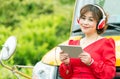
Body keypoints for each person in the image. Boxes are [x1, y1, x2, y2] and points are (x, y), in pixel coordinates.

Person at [59, 4, 116, 79]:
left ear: (100, 24)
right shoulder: (73, 43)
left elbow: (109, 74)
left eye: (90, 20)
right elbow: (65, 76)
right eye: (83, 18)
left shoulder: (106, 43)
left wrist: (91, 62)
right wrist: (66, 63)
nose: (85, 23)